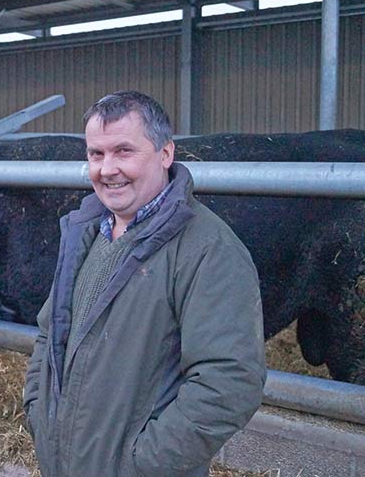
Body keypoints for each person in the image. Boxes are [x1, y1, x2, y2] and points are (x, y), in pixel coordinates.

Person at [23, 90, 265, 477]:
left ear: (166, 153)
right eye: (96, 154)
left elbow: (229, 381)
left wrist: (144, 463)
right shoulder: (83, 234)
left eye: (124, 151)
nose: (107, 169)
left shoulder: (208, 250)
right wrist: (39, 414)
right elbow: (49, 334)